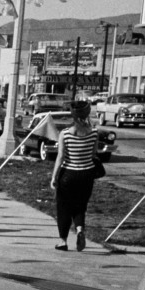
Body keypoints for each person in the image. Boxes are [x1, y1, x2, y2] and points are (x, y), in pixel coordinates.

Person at [49, 100, 99, 252]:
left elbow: (61, 157)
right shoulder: (94, 133)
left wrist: (54, 177)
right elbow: (93, 154)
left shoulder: (65, 133)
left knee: (64, 207)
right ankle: (79, 229)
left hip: (68, 174)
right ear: (87, 114)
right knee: (80, 205)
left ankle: (63, 241)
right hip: (87, 175)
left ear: (73, 115)